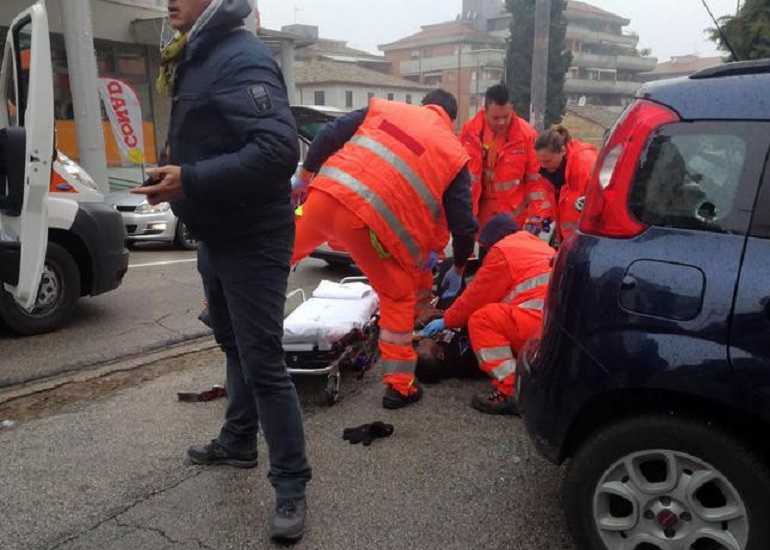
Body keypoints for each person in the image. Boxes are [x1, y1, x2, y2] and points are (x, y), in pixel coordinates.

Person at [131, 0, 311, 541]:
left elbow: (278, 151)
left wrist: (190, 179)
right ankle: (237, 442)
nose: (169, 0)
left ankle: (291, 485)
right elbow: (209, 137)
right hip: (215, 231)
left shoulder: (240, 56)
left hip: (253, 236)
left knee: (263, 362)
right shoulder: (196, 53)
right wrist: (177, 178)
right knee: (233, 347)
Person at [291, 90, 478, 409]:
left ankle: (222, 301)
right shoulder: (453, 152)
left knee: (275, 253)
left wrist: (304, 176)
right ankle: (399, 387)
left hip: (323, 197)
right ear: (451, 120)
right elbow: (463, 225)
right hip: (369, 226)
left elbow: (329, 134)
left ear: (423, 105)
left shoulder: (385, 109)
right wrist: (459, 268)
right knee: (397, 297)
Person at [421, 214, 553, 415]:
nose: (484, 250)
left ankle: (511, 391)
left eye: (485, 245)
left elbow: (476, 297)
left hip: (538, 328)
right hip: (554, 326)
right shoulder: (538, 246)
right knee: (497, 315)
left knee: (482, 320)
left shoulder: (503, 251)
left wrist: (447, 320)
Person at [460, 84, 553, 247]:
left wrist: (538, 219)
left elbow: (538, 182)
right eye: (496, 118)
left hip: (513, 220)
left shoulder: (526, 135)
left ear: (512, 109)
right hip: (480, 217)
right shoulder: (471, 132)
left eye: (506, 116)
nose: (502, 122)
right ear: (485, 111)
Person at [535, 125, 598, 244]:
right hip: (566, 239)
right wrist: (543, 224)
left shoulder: (585, 165)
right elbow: (549, 203)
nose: (543, 165)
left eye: (547, 161)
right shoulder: (546, 170)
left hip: (587, 240)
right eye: (540, 161)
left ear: (562, 151)